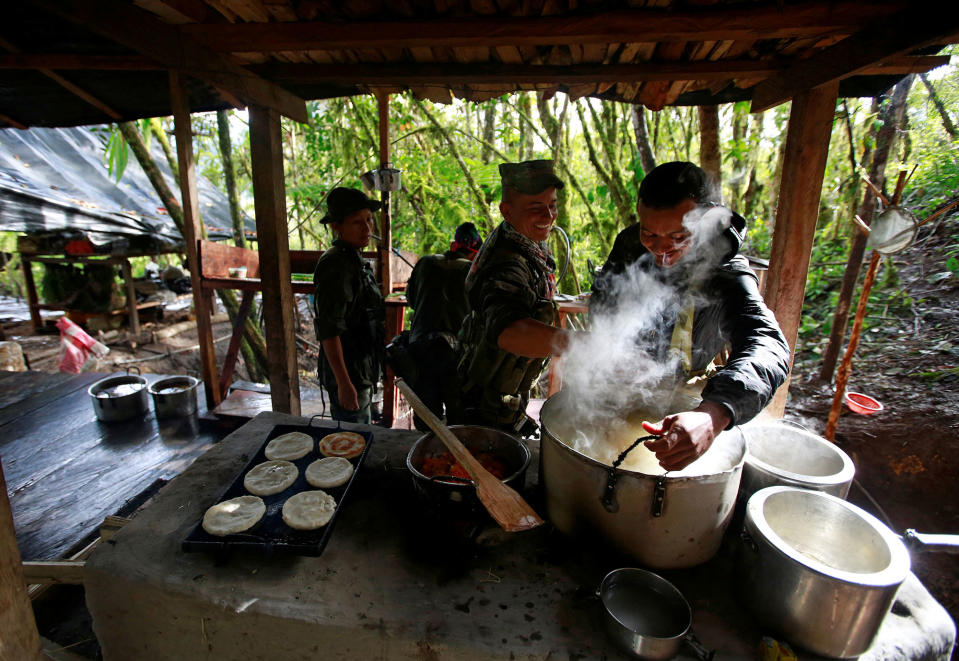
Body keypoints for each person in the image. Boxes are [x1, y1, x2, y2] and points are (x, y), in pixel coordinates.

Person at [591, 161, 790, 470]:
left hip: (690, 398)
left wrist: (713, 414)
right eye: (650, 235)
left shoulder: (726, 267)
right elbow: (603, 305)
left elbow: (767, 342)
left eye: (679, 236)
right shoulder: (629, 247)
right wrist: (611, 351)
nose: (662, 251)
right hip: (622, 387)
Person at [457, 160, 572, 435]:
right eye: (536, 208)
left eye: (552, 205)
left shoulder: (527, 243)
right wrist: (580, 345)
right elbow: (508, 331)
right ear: (506, 211)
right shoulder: (506, 261)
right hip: (484, 402)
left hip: (504, 391)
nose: (549, 216)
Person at [313, 187, 386, 424]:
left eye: (368, 220)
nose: (367, 228)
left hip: (361, 369)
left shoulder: (354, 260)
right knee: (352, 441)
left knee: (359, 434)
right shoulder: (335, 265)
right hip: (348, 374)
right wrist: (344, 384)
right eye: (357, 222)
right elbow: (329, 330)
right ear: (336, 227)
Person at [402, 222, 483, 430]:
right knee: (459, 418)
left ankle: (424, 455)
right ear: (476, 253)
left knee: (427, 417)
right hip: (456, 355)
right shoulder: (472, 273)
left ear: (453, 245)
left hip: (422, 350)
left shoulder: (425, 263)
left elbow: (411, 300)